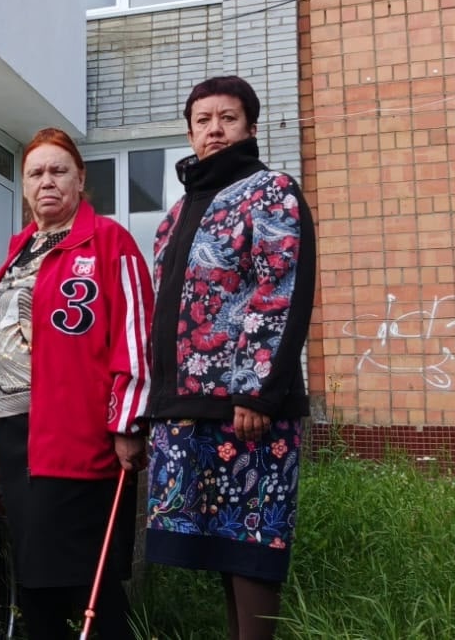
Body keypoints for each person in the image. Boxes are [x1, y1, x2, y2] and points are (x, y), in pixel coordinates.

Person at [136, 75, 316, 640]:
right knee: (219, 546)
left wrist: (257, 392)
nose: (214, 129)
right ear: (190, 133)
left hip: (246, 406)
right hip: (185, 406)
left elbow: (279, 289)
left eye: (228, 118)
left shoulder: (271, 191)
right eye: (202, 120)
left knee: (252, 543)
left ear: (251, 127)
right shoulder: (175, 215)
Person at [0, 127, 154, 639]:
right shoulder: (22, 248)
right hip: (15, 431)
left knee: (84, 576)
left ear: (80, 179)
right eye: (36, 173)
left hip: (74, 429)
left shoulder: (108, 241)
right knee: (35, 574)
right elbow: (15, 324)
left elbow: (135, 333)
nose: (47, 181)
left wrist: (128, 420)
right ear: (24, 185)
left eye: (58, 170)